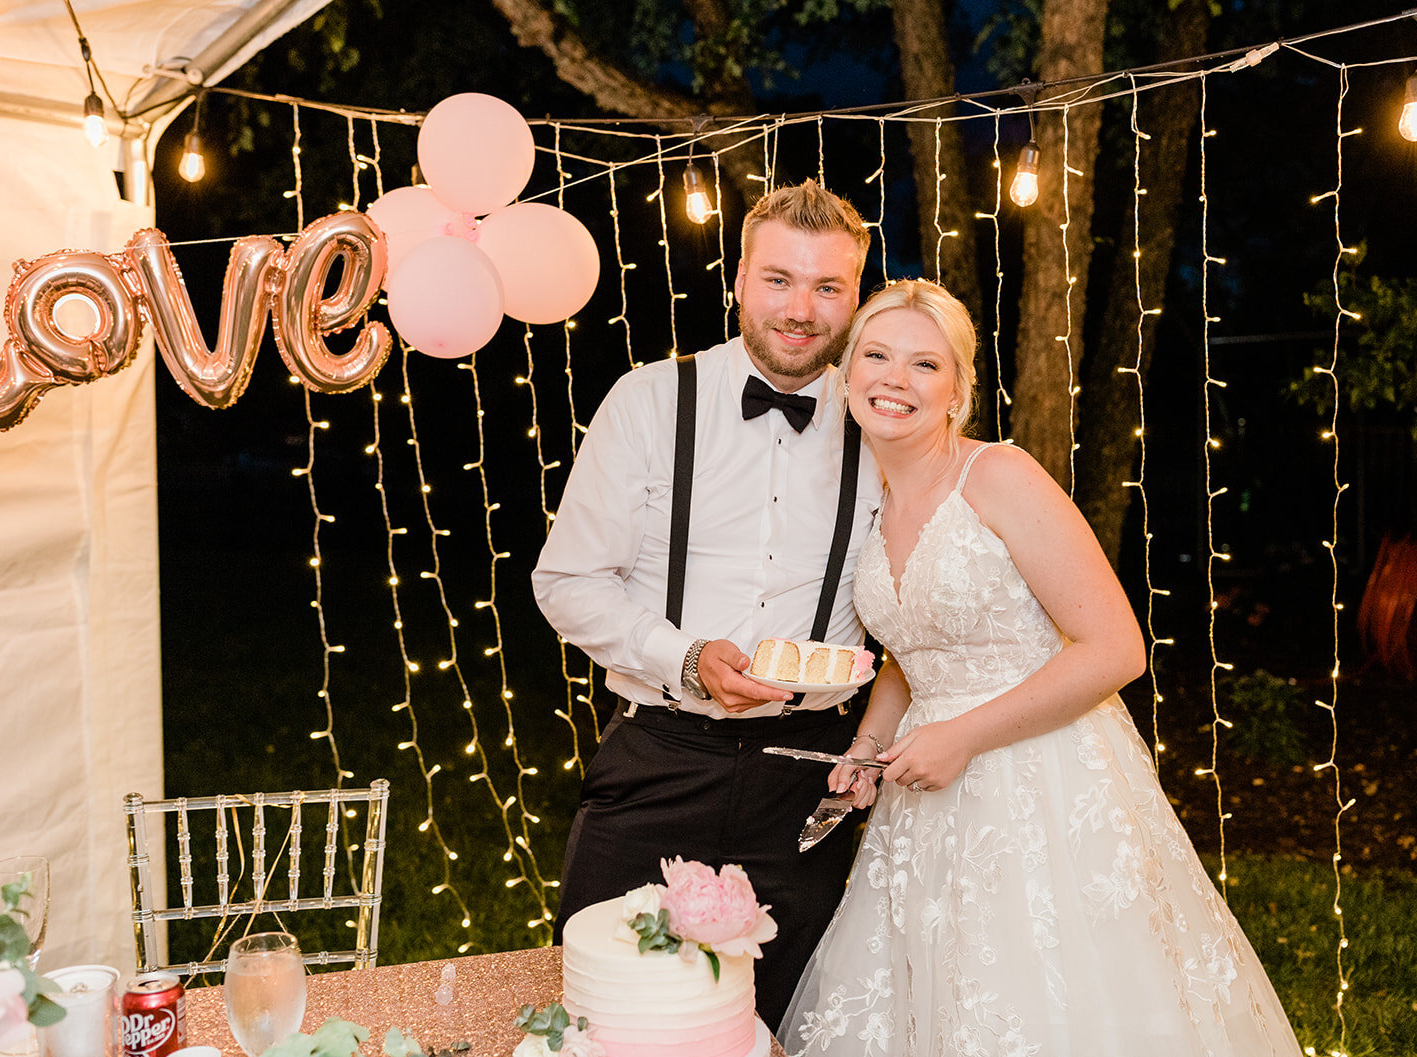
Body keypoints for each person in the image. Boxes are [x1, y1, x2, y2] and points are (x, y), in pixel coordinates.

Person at [779, 280, 1305, 1056]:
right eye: (877, 355)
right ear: (848, 372)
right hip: (925, 787)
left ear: (957, 389)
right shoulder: (875, 499)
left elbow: (1117, 648)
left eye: (925, 364)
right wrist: (866, 746)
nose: (894, 378)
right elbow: (910, 650)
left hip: (1041, 776)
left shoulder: (999, 476)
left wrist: (962, 735)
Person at [532, 179, 883, 1027]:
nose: (801, 309)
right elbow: (566, 580)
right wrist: (682, 658)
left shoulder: (884, 420)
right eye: (779, 280)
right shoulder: (648, 400)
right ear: (737, 278)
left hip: (810, 777)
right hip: (660, 756)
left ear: (856, 297)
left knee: (787, 1019)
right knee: (603, 1011)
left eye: (828, 287)